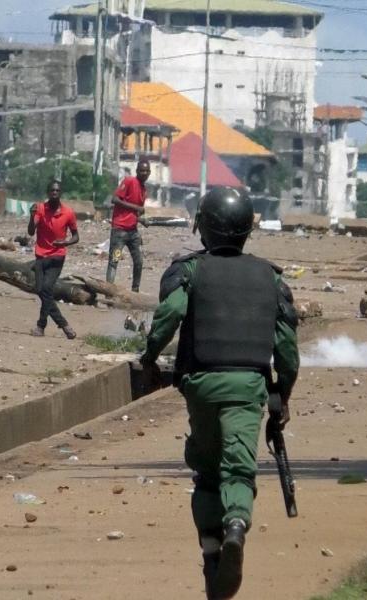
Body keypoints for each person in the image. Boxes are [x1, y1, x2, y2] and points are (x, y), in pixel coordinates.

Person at [139, 187, 299, 600]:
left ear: (203, 227)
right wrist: (283, 393)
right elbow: (287, 349)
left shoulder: (188, 270)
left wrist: (150, 356)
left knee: (206, 472)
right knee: (239, 471)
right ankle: (235, 528)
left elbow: (170, 314)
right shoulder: (272, 278)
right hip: (248, 387)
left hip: (200, 384)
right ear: (248, 229)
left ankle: (211, 551)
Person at [27, 179, 78, 339]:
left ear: (60, 193)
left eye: (57, 191)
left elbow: (76, 236)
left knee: (46, 289)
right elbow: (30, 232)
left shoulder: (68, 212)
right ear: (48, 193)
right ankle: (55, 325)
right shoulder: (41, 209)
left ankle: (47, 326)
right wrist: (31, 216)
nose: (54, 193)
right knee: (42, 290)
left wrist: (66, 242)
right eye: (52, 191)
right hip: (41, 255)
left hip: (57, 256)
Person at [106, 158, 150, 292]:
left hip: (133, 232)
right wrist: (136, 207)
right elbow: (115, 199)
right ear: (137, 171)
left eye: (147, 171)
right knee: (114, 261)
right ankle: (108, 291)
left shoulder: (144, 190)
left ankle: (135, 290)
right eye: (142, 170)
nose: (144, 173)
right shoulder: (129, 181)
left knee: (139, 261)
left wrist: (141, 219)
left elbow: (136, 213)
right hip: (120, 231)